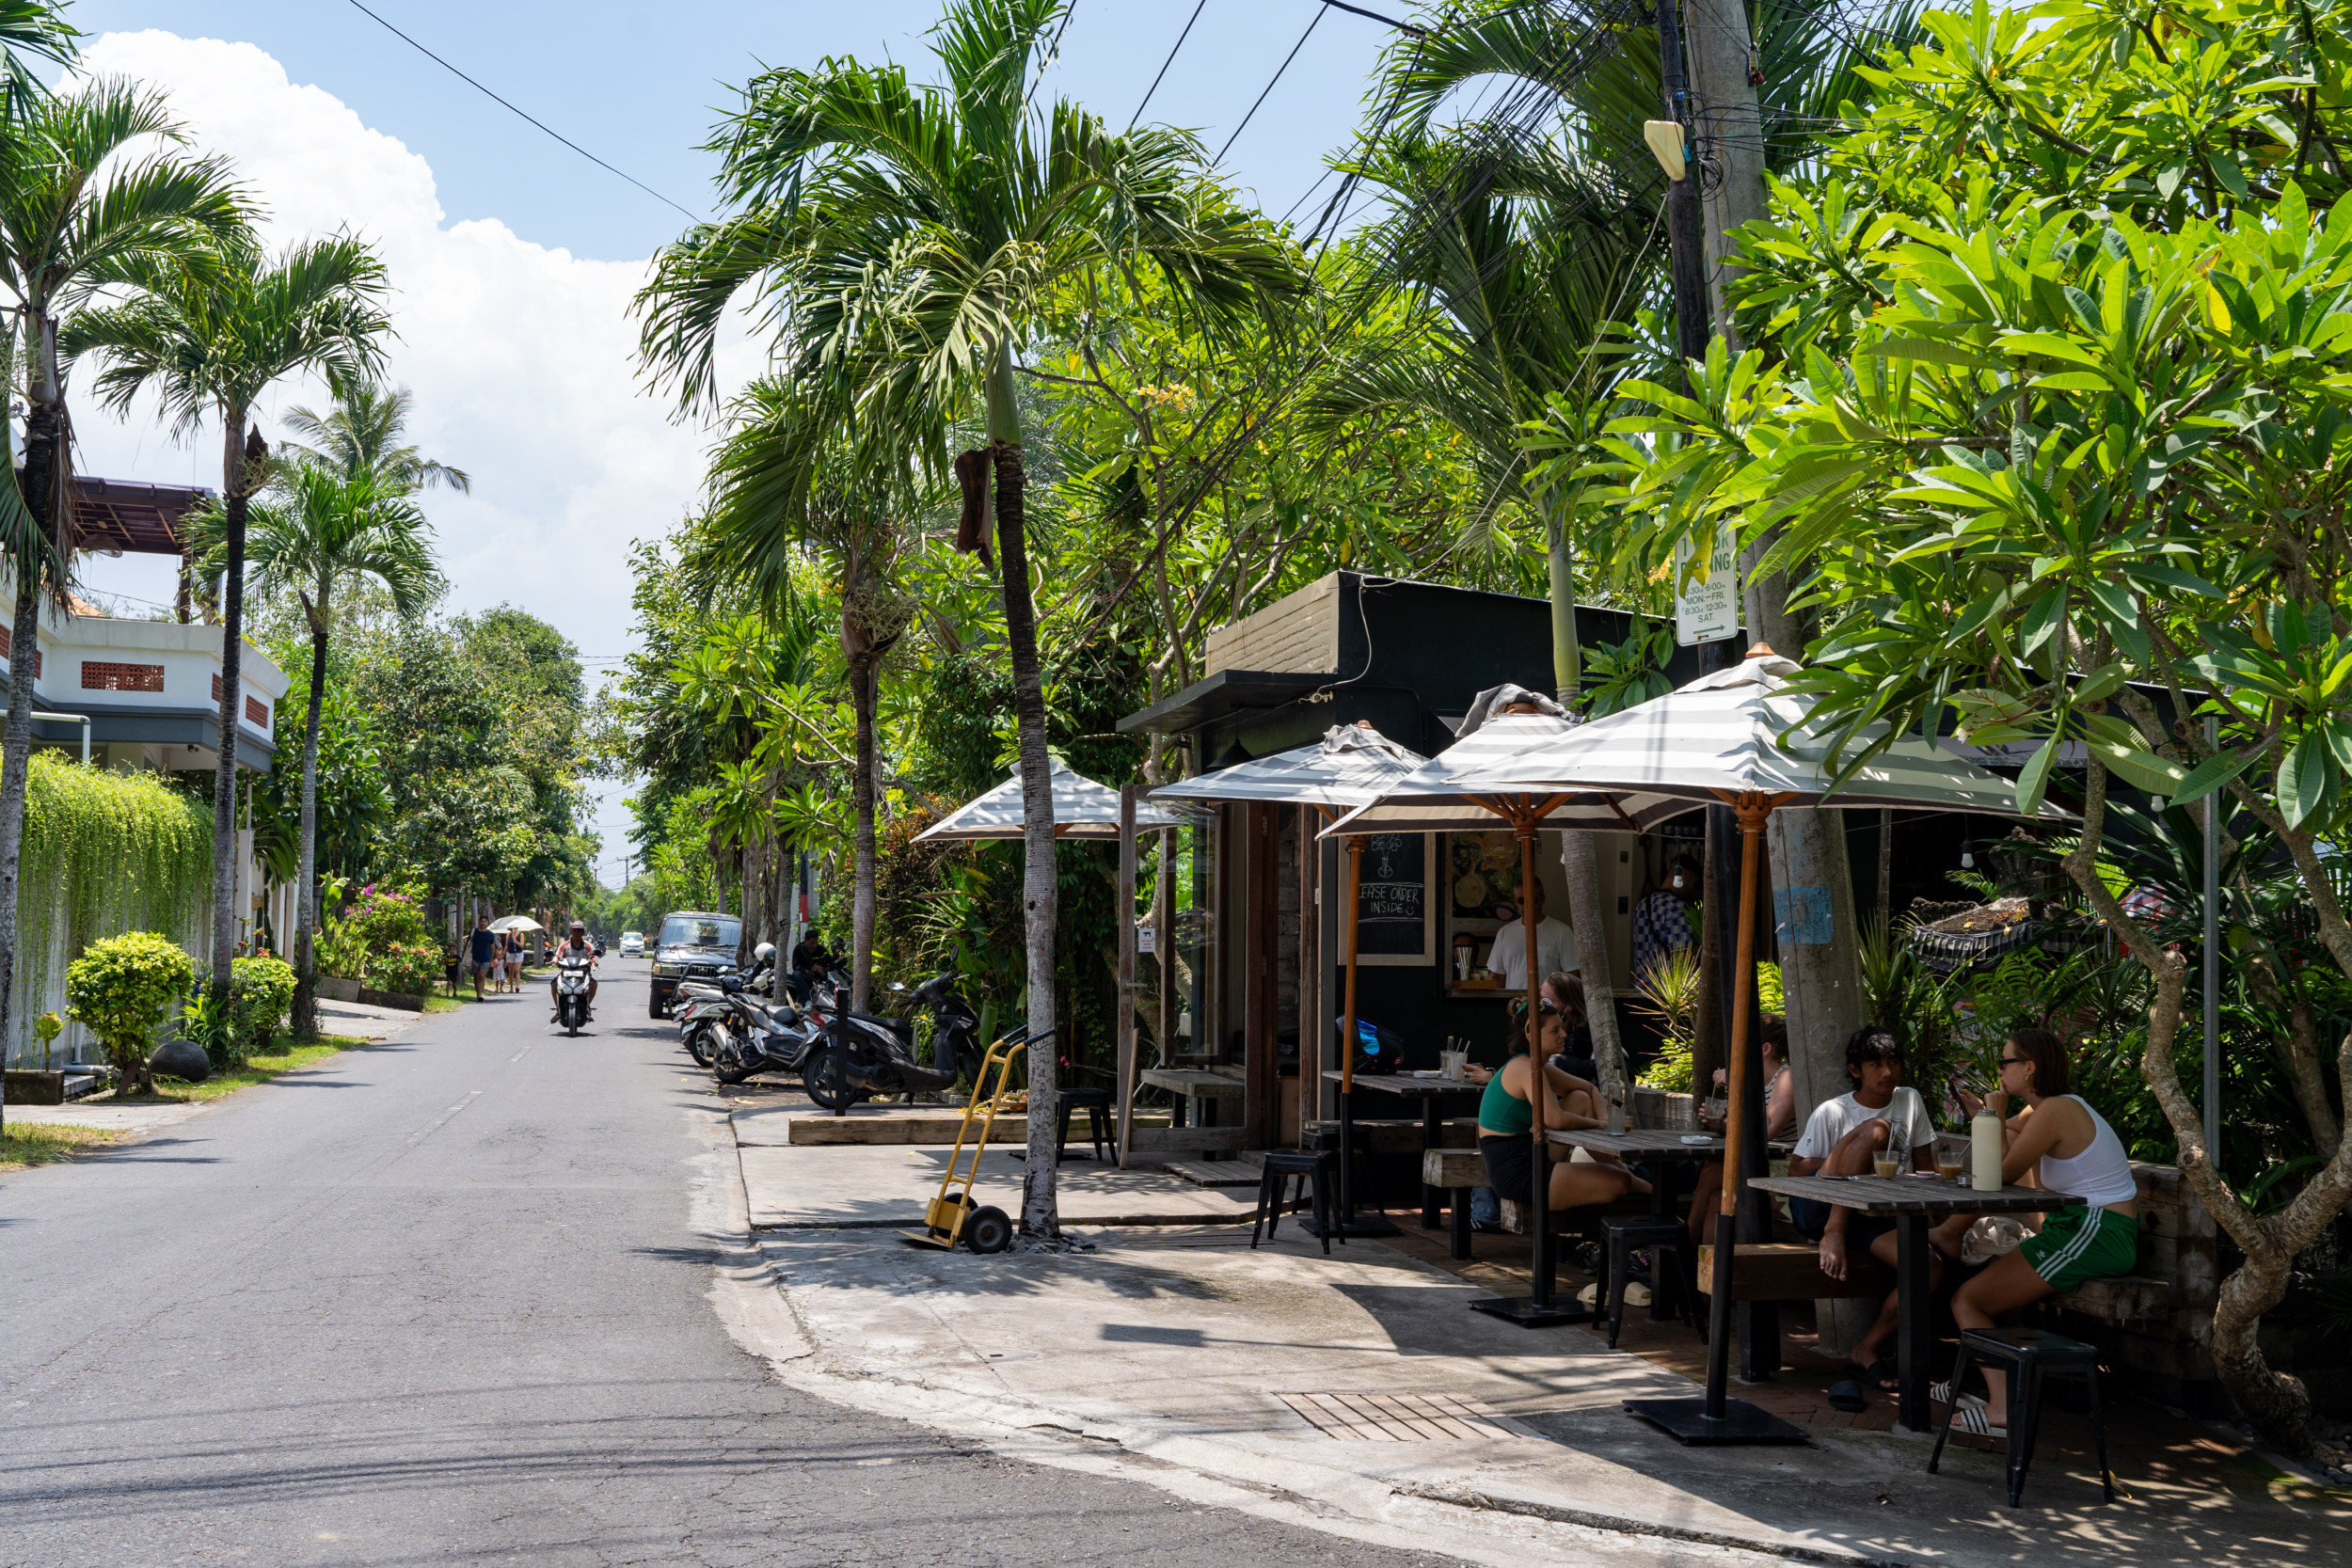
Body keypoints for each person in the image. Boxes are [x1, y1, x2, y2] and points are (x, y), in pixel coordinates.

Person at [1939, 1028, 2141, 1436]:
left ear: (2029, 1067)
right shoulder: (2044, 1111)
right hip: (2078, 1230)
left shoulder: (2058, 1110)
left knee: (1968, 1299)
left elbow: (1997, 1174)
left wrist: (1993, 1114)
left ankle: (2003, 1410)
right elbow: (2008, 1138)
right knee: (1972, 1295)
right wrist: (1987, 1113)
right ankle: (1987, 1387)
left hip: (2097, 1233)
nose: (1998, 1070)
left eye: (2004, 1062)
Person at [1788, 1024, 1939, 1391]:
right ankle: (1834, 1234)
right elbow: (1797, 1169)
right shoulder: (1834, 1111)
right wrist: (1848, 1156)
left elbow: (1924, 1165)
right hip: (1822, 1207)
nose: (1887, 1072)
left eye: (1893, 1062)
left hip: (1875, 1213)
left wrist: (1942, 1224)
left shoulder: (1909, 1100)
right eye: (1876, 1064)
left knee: (1929, 1268)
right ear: (1856, 1070)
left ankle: (1866, 1349)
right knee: (1875, 1130)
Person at [1477, 1004, 1647, 1219]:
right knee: (1618, 1182)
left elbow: (1589, 1088)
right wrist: (1599, 1125)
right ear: (1532, 1036)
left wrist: (1606, 1121)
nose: (1564, 1034)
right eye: (1554, 1030)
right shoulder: (1524, 1068)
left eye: (1562, 1027)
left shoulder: (1537, 1066)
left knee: (1580, 1098)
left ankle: (1633, 1178)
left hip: (1533, 1151)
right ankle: (1634, 1181)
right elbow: (1555, 1120)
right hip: (1517, 1171)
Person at [1685, 1014, 1796, 1248]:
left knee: (1712, 1172)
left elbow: (1767, 1130)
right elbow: (1751, 1131)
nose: (1736, 1054)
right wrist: (1722, 1125)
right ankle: (1702, 1274)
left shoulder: (1786, 1077)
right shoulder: (1759, 1081)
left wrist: (1739, 1081)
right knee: (1717, 1200)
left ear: (1765, 1049)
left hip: (1787, 1173)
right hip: (1763, 1165)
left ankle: (1680, 1253)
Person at [1485, 879, 1576, 994]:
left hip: (1549, 1006)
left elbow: (1572, 976)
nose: (1527, 904)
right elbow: (1497, 977)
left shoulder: (1562, 931)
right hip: (1515, 1006)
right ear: (1515, 901)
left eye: (1533, 899)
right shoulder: (1504, 933)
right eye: (1522, 900)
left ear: (1542, 900)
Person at [1631, 854, 1700, 982]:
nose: (1693, 891)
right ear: (1683, 876)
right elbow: (1683, 964)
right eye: (1694, 884)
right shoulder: (1678, 909)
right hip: (1667, 997)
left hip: (1641, 992)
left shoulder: (1642, 905)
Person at [548, 918, 599, 1021]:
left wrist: (594, 961)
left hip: (583, 973)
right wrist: (554, 960)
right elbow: (557, 956)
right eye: (574, 930)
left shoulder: (588, 946)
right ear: (570, 931)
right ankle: (558, 1010)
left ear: (583, 932)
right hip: (566, 973)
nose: (577, 933)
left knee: (593, 984)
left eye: (579, 930)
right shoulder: (564, 945)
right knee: (554, 984)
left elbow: (593, 957)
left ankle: (587, 1008)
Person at [469, 914, 498, 1001]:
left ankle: (480, 995)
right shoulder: (474, 932)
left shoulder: (490, 934)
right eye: (481, 921)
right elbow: (467, 944)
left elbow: (492, 947)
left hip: (485, 958)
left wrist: (491, 959)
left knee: (482, 976)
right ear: (479, 922)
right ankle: (477, 994)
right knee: (476, 976)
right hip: (474, 957)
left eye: (485, 921)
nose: (483, 923)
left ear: (488, 923)